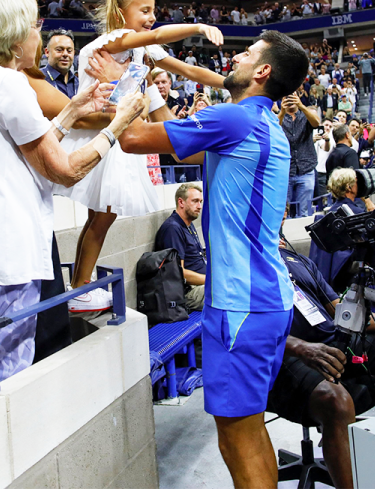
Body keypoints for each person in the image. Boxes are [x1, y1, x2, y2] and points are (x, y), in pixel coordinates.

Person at [118, 29, 310, 489]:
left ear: (262, 71)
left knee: (236, 438)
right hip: (265, 298)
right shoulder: (261, 125)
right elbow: (177, 139)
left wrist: (125, 77)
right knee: (250, 429)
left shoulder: (235, 119)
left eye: (247, 53)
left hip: (241, 306)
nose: (236, 57)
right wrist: (154, 81)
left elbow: (131, 138)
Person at [0, 0, 144, 385]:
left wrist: (71, 110)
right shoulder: (8, 84)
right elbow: (65, 169)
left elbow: (29, 148)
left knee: (0, 361)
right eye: (34, 25)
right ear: (14, 34)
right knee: (8, 376)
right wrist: (119, 122)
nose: (40, 33)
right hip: (7, 254)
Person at [56, 0, 225, 311]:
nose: (151, 19)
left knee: (101, 218)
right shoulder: (111, 42)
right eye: (144, 10)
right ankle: (80, 288)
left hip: (119, 136)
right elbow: (161, 35)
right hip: (101, 135)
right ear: (121, 14)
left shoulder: (141, 53)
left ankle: (80, 286)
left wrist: (232, 85)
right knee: (101, 218)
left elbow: (190, 72)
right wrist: (196, 27)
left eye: (153, 10)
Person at [268, 241, 375, 489]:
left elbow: (340, 313)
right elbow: (244, 329)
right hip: (282, 354)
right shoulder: (240, 263)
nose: (279, 214)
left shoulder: (298, 261)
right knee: (336, 401)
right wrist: (303, 348)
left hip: (330, 341)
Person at [154, 183, 206, 312]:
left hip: (201, 286)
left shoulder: (188, 224)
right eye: (195, 201)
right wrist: (211, 280)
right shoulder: (173, 228)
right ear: (181, 202)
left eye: (200, 201)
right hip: (190, 293)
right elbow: (177, 272)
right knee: (234, 290)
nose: (199, 206)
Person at [279, 90, 321, 218]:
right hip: (285, 171)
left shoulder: (306, 115)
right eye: (287, 96)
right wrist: (282, 112)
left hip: (306, 169)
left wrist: (301, 105)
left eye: (293, 95)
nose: (290, 99)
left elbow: (316, 123)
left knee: (303, 212)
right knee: (283, 212)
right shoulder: (279, 117)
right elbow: (273, 129)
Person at [41, 29, 78, 98]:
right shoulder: (38, 79)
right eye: (59, 50)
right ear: (47, 52)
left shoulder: (79, 83)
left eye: (69, 51)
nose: (65, 54)